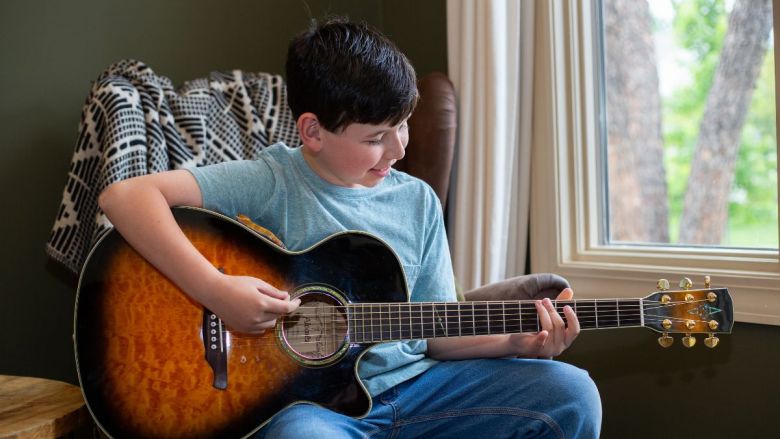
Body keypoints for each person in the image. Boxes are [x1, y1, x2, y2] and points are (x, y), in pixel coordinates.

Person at [99, 17, 601, 438]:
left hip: (420, 391)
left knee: (571, 392)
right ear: (313, 131)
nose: (400, 149)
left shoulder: (417, 201)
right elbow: (126, 197)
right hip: (315, 412)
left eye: (403, 124)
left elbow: (436, 331)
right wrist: (215, 289)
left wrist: (514, 343)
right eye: (377, 136)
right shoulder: (273, 181)